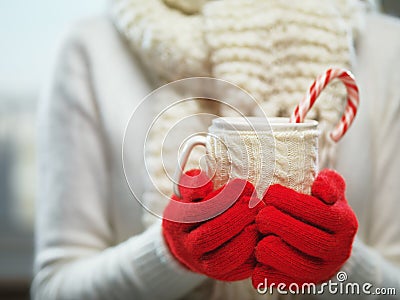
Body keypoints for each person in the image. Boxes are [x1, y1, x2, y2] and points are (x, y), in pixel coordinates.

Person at [32, 0, 400, 299]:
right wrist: (169, 254)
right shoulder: (92, 47)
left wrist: (341, 267)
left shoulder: (386, 49)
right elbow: (55, 288)